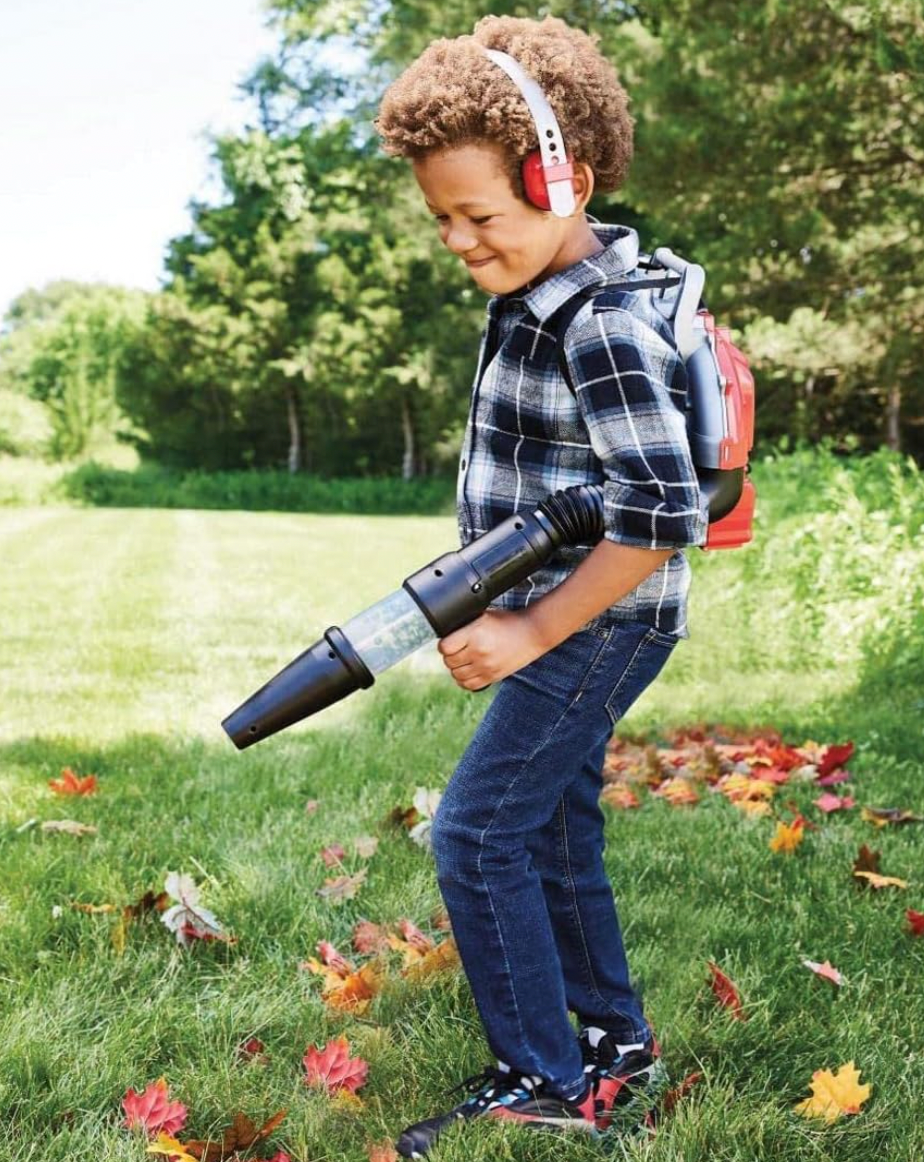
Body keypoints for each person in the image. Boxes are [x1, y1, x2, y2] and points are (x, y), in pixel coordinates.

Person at [374, 13, 708, 1158]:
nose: (461, 240)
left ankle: (539, 1078)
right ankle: (616, 1044)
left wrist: (528, 634)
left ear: (560, 178)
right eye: (443, 221)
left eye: (480, 214)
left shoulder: (601, 326)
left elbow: (664, 515)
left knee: (474, 834)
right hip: (577, 613)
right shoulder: (542, 294)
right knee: (554, 828)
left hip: (594, 620)